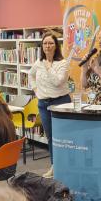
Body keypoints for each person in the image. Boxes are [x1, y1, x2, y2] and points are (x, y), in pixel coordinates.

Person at [28, 32, 71, 174]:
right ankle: (55, 166)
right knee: (51, 137)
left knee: (63, 137)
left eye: (51, 43)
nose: (47, 46)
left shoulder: (63, 63)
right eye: (45, 43)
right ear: (42, 46)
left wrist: (48, 67)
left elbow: (58, 82)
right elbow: (31, 75)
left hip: (61, 103)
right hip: (44, 104)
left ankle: (67, 166)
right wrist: (36, 90)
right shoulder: (38, 63)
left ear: (56, 46)